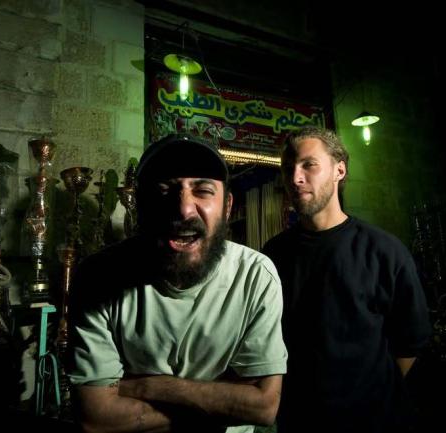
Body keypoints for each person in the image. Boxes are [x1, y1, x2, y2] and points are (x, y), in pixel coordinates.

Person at [67, 133, 288, 433]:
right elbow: (96, 417)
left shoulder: (255, 276)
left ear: (227, 207)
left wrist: (145, 387)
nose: (183, 209)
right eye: (164, 190)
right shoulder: (98, 277)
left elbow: (262, 407)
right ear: (141, 205)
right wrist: (223, 400)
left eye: (203, 191)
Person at [262, 127, 432, 433]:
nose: (295, 178)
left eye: (309, 165)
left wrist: (366, 397)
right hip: (299, 423)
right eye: (288, 169)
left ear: (339, 170)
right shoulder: (273, 255)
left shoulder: (383, 251)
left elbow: (410, 344)